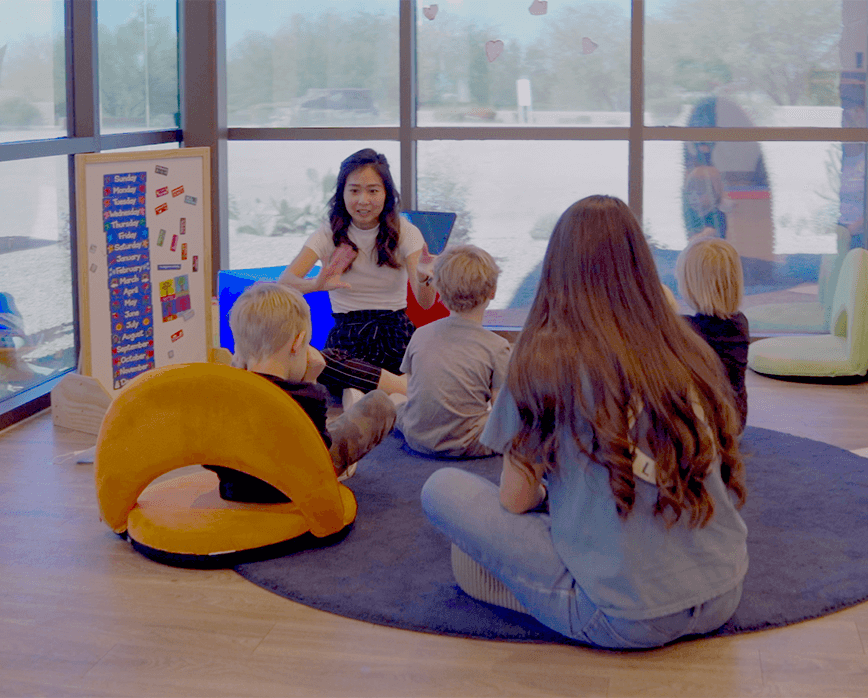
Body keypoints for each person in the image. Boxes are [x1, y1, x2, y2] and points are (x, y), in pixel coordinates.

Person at [420, 195, 748, 649]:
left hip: (623, 617)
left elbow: (516, 499)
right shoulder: (688, 348)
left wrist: (551, 489)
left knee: (441, 489)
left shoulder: (540, 360)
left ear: (557, 268)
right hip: (724, 590)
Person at [205, 283, 397, 504]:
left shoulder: (225, 395)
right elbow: (317, 459)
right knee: (380, 403)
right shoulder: (307, 396)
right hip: (295, 491)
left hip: (237, 491)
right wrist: (310, 382)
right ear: (297, 343)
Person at [280, 148, 432, 397]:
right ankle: (399, 389)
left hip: (395, 333)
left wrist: (425, 277)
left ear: (386, 193)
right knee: (321, 360)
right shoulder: (328, 232)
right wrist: (316, 285)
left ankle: (361, 393)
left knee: (424, 356)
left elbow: (425, 303)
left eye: (373, 191)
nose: (363, 200)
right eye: (354, 191)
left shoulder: (406, 231)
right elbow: (285, 283)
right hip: (347, 335)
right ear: (342, 193)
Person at [398, 245, 510, 459]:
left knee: (396, 401)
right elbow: (501, 415)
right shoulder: (498, 347)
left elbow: (413, 390)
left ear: (439, 290)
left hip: (416, 438)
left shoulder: (420, 334)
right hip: (468, 443)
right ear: (493, 291)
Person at [677, 237, 750, 427]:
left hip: (707, 428)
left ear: (690, 286)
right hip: (736, 423)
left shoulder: (686, 329)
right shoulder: (740, 323)